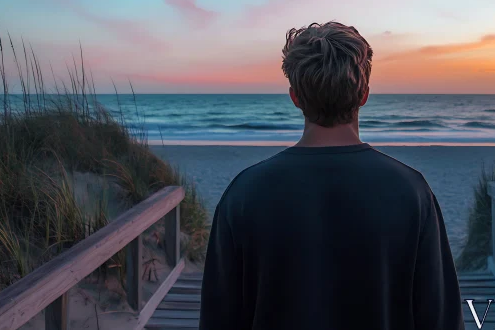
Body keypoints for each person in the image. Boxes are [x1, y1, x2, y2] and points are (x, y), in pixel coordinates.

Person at [199, 22, 464, 330]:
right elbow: (440, 317)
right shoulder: (411, 191)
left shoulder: (244, 193)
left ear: (295, 97)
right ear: (364, 95)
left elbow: (219, 318)